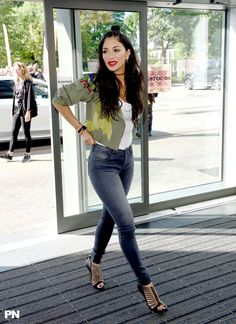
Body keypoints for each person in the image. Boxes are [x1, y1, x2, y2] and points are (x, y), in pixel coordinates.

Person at [52, 26, 167, 314]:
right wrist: (81, 130)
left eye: (116, 49)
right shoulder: (94, 84)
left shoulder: (135, 81)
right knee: (126, 224)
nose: (110, 55)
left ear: (128, 53)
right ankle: (146, 284)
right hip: (102, 161)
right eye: (105, 51)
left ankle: (94, 261)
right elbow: (58, 99)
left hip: (126, 160)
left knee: (109, 216)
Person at [0, 62, 38, 162]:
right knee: (13, 132)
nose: (16, 71)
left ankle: (28, 154)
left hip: (25, 110)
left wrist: (28, 111)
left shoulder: (28, 82)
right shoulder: (16, 82)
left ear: (23, 70)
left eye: (17, 69)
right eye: (14, 69)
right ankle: (10, 153)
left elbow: (30, 98)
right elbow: (15, 98)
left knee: (26, 133)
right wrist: (13, 111)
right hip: (17, 110)